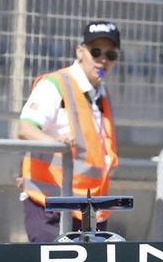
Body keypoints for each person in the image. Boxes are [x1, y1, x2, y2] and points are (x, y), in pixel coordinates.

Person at [17, 20, 121, 242]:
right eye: (96, 52)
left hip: (89, 211)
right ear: (80, 51)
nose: (103, 60)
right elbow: (25, 129)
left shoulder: (101, 95)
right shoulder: (55, 84)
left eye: (110, 55)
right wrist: (57, 145)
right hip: (50, 206)